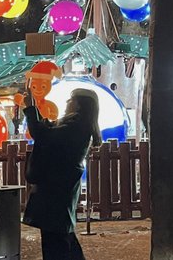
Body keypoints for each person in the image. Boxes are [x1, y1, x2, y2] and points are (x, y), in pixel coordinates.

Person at [21, 87, 101, 260]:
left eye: (71, 100)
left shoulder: (75, 127)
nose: (67, 103)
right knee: (63, 239)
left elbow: (43, 135)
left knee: (56, 243)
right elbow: (48, 133)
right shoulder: (76, 126)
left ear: (79, 104)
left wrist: (30, 109)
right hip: (59, 190)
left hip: (55, 191)